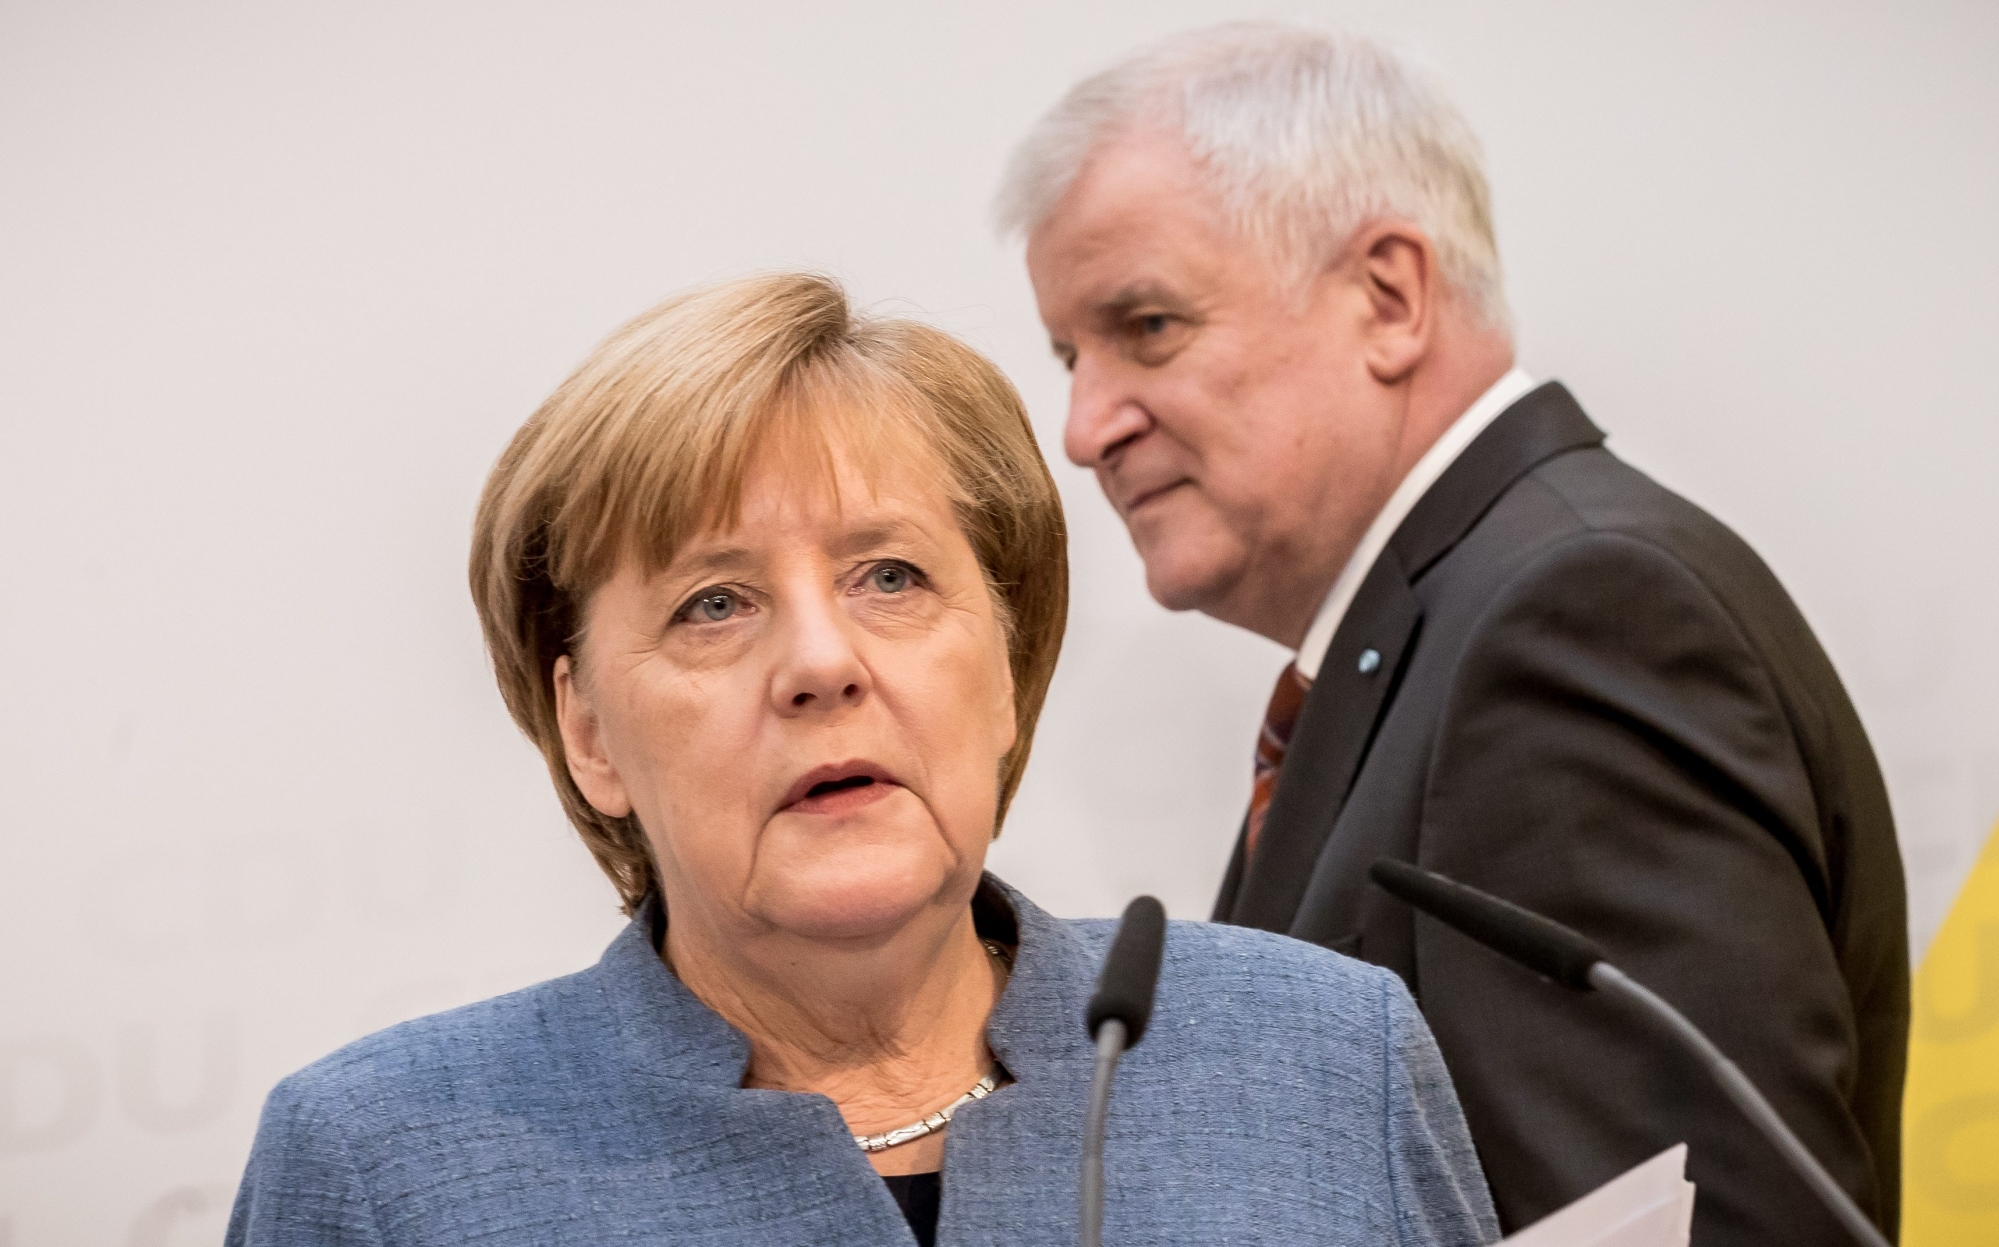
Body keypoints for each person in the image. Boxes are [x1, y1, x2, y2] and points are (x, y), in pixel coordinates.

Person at [224, 272, 1498, 1246]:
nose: (822, 661)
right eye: (712, 602)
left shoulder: (1329, 1054)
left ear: (1004, 664)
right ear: (589, 731)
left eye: (890, 575)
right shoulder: (385, 1165)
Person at [999, 22, 1908, 1247]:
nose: (1084, 422)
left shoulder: (1570, 620)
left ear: (1388, 296)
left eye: (1147, 325)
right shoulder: (1460, 617)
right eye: (1068, 353)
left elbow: (1699, 1223)